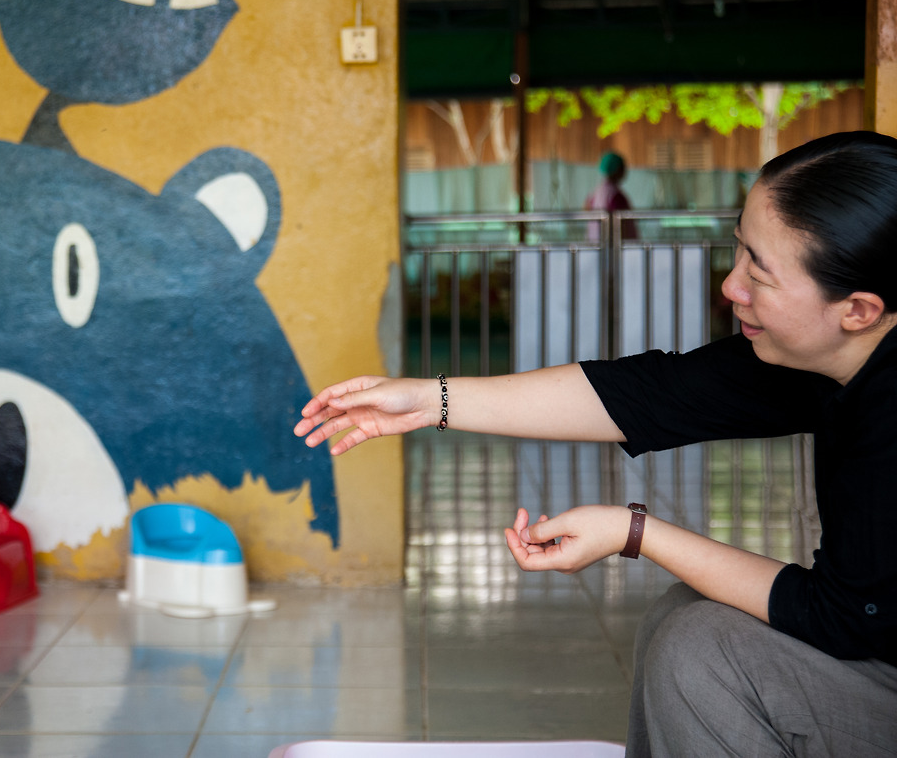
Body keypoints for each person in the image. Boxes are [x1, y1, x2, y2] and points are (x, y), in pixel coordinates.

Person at [296, 131, 897, 755]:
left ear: (857, 309)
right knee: (682, 613)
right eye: (740, 249)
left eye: (759, 273)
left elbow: (843, 617)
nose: (730, 285)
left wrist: (634, 531)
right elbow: (648, 394)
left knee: (703, 649)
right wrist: (428, 400)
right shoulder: (831, 355)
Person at [585, 150, 637, 241]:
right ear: (617, 170)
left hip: (598, 243)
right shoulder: (615, 196)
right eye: (622, 167)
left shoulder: (596, 193)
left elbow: (587, 208)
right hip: (613, 245)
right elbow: (620, 225)